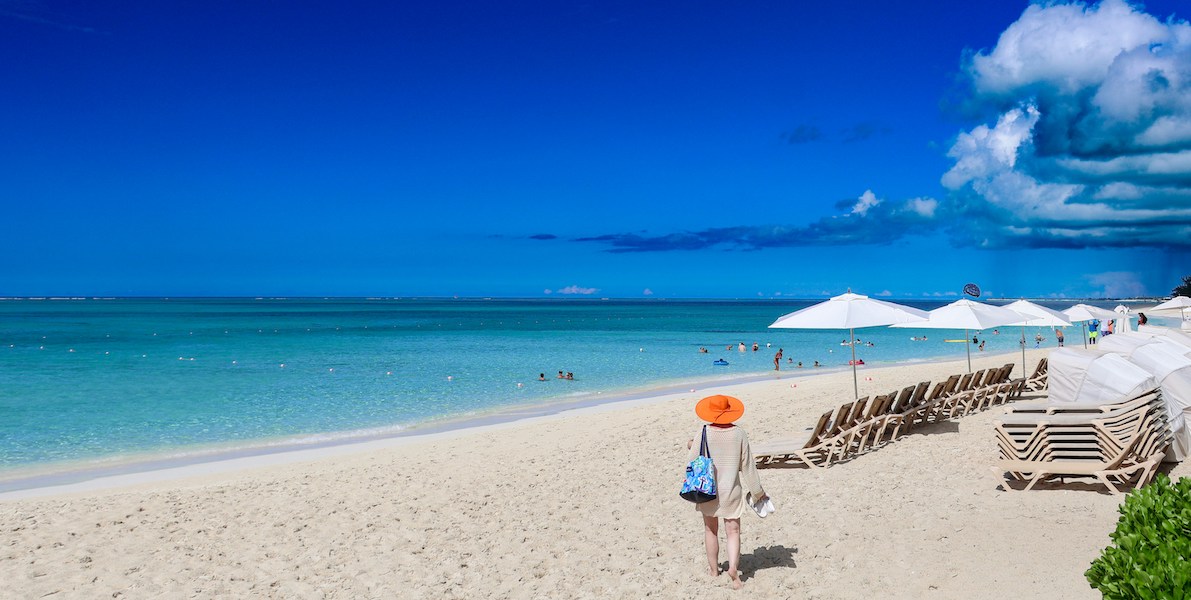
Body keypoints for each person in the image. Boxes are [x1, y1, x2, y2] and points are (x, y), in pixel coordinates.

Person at [685, 395, 766, 590]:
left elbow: (691, 460)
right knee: (733, 531)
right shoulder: (739, 434)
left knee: (710, 530)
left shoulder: (703, 431)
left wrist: (691, 444)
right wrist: (757, 491)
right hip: (731, 490)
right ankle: (733, 568)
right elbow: (747, 466)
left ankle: (713, 571)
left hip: (708, 490)